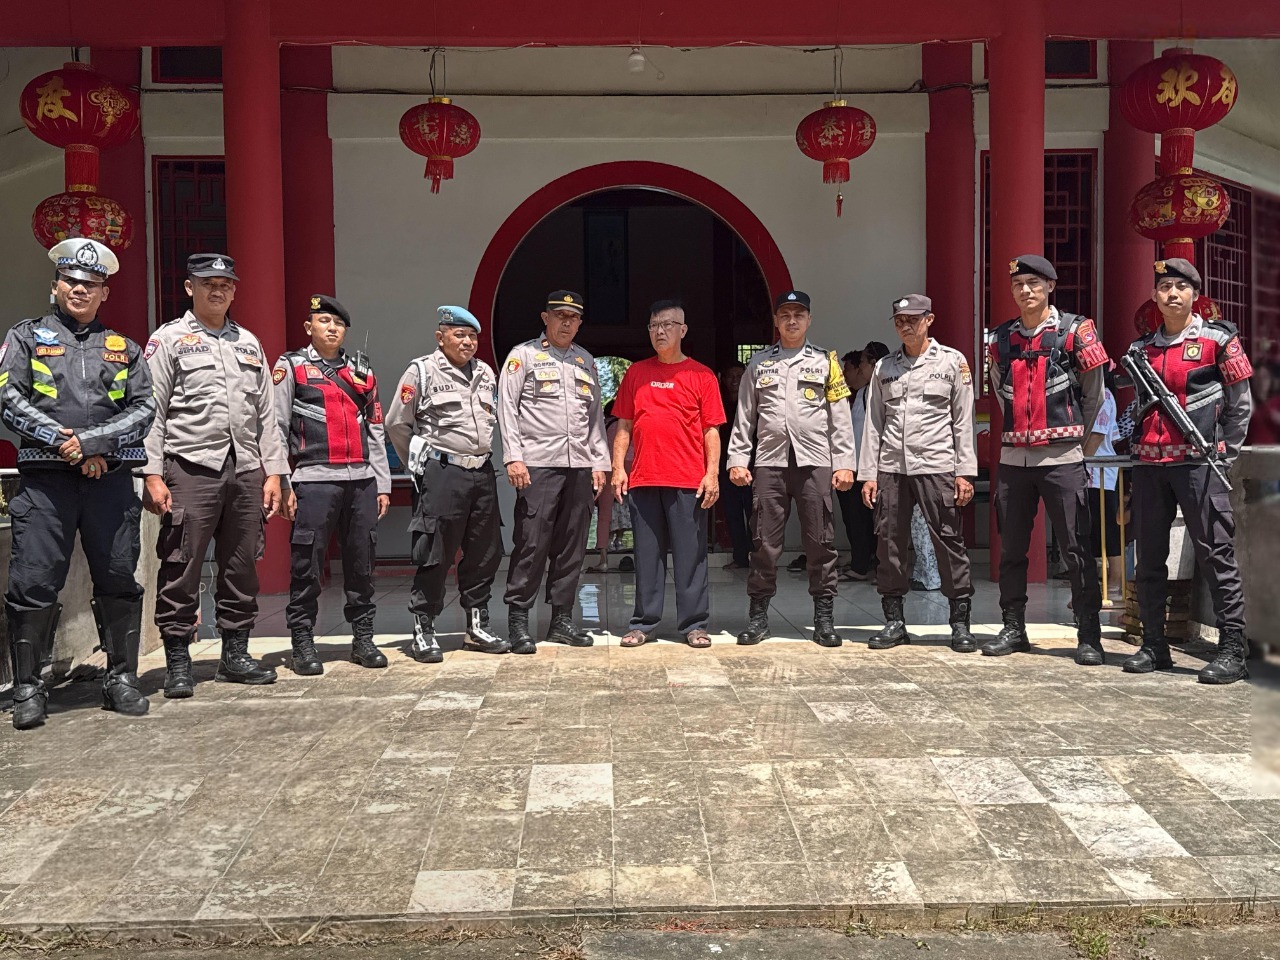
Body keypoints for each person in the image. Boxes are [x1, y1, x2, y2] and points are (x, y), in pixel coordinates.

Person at [0, 239, 156, 729]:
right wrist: (62, 442)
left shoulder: (124, 348)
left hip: (108, 481)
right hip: (46, 484)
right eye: (71, 281)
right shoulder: (25, 338)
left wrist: (91, 444)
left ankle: (121, 678)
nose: (80, 290)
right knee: (33, 580)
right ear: (56, 286)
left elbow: (145, 408)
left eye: (91, 284)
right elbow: (8, 397)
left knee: (118, 577)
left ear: (104, 292)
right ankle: (28, 688)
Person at [143, 254, 290, 698]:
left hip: (244, 470)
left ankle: (235, 655)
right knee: (181, 564)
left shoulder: (248, 342)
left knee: (242, 565)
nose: (218, 290)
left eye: (226, 284)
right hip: (190, 467)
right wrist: (151, 473)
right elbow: (152, 411)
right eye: (209, 283)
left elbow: (266, 414)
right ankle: (178, 660)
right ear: (190, 287)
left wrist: (274, 473)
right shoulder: (168, 340)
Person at [1125, 258, 1253, 683]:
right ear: (1155, 296)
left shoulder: (1219, 340)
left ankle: (1232, 649)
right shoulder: (1142, 349)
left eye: (1181, 287)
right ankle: (1153, 645)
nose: (1172, 294)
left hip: (1200, 464)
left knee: (1216, 555)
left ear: (1195, 295)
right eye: (1164, 287)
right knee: (1149, 559)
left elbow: (1240, 406)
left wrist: (1224, 456)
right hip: (1150, 465)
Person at [983, 255, 1109, 664]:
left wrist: (1074, 441)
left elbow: (1093, 395)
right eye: (1018, 284)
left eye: (1034, 283)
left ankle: (1088, 634)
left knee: (1075, 547)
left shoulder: (1076, 331)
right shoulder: (1000, 339)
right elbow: (1000, 392)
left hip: (1063, 457)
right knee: (1012, 549)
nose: (1026, 291)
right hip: (1014, 459)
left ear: (1051, 286)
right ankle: (1013, 626)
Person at [271, 294, 391, 675]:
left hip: (361, 481)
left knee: (361, 562)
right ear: (309, 327)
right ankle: (302, 641)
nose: (332, 328)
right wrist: (282, 480)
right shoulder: (291, 367)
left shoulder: (362, 372)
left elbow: (375, 428)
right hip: (313, 479)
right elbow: (276, 426)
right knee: (306, 564)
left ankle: (363, 638)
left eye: (338, 323)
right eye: (324, 321)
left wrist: (382, 483)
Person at [729, 290, 856, 647]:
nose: (792, 321)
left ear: (809, 320)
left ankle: (824, 619)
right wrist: (738, 459)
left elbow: (840, 418)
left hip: (815, 463)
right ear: (775, 321)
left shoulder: (826, 362)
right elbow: (745, 417)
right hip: (769, 463)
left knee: (821, 543)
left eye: (799, 315)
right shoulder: (759, 364)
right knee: (764, 544)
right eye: (785, 315)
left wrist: (845, 464)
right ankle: (758, 618)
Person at [384, 305, 509, 663]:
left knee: (485, 552)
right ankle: (424, 629)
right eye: (459, 334)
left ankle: (477, 626)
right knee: (435, 553)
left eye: (472, 336)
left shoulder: (485, 372)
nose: (467, 341)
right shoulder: (421, 371)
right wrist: (422, 464)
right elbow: (396, 423)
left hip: (482, 472)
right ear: (440, 337)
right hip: (442, 472)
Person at [859, 294, 978, 652]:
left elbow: (963, 420)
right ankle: (894, 622)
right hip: (892, 468)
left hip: (937, 465)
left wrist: (964, 472)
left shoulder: (952, 362)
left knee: (948, 541)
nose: (906, 326)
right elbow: (874, 424)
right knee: (889, 543)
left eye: (913, 319)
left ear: (929, 319)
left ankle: (960, 623)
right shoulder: (884, 367)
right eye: (899, 321)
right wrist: (869, 474)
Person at [498, 291, 609, 654]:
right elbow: (506, 408)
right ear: (545, 318)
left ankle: (561, 620)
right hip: (538, 465)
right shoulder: (524, 356)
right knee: (532, 541)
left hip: (579, 465)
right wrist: (513, 457)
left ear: (580, 322)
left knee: (572, 544)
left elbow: (595, 416)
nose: (566, 323)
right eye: (560, 315)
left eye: (573, 317)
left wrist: (600, 461)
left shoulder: (585, 360)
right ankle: (518, 621)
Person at [611, 299, 725, 648]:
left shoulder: (702, 375)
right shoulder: (636, 373)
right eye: (653, 325)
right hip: (644, 478)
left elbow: (711, 430)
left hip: (688, 481)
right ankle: (643, 623)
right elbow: (624, 425)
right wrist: (618, 468)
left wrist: (712, 474)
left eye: (667, 325)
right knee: (647, 556)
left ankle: (694, 624)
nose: (659, 331)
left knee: (691, 557)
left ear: (683, 330)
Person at [1083, 364, 1123, 604]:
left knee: (1107, 530)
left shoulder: (1103, 396)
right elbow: (1113, 437)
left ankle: (1116, 582)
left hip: (1097, 473)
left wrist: (1080, 462)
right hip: (1097, 472)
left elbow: (1097, 436)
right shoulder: (1100, 396)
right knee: (1091, 531)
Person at [719, 360, 752, 570]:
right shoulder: (719, 403)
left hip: (752, 466)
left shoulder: (752, 402)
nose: (734, 380)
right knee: (732, 512)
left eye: (739, 376)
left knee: (754, 512)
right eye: (730, 376)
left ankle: (756, 556)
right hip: (724, 466)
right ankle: (740, 556)